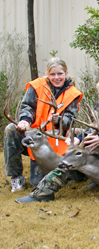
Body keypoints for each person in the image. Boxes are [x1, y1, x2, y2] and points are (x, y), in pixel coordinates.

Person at [15, 68, 99, 203]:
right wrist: (80, 139)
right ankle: (47, 189)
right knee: (76, 150)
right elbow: (93, 125)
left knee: (81, 155)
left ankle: (45, 190)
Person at [4, 57, 82, 192]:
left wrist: (60, 121)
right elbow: (28, 106)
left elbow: (71, 120)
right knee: (11, 129)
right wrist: (25, 120)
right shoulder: (37, 86)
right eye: (52, 74)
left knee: (37, 182)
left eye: (60, 74)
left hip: (54, 142)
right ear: (47, 74)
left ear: (66, 73)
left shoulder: (72, 93)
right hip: (34, 136)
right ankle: (16, 177)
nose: (56, 77)